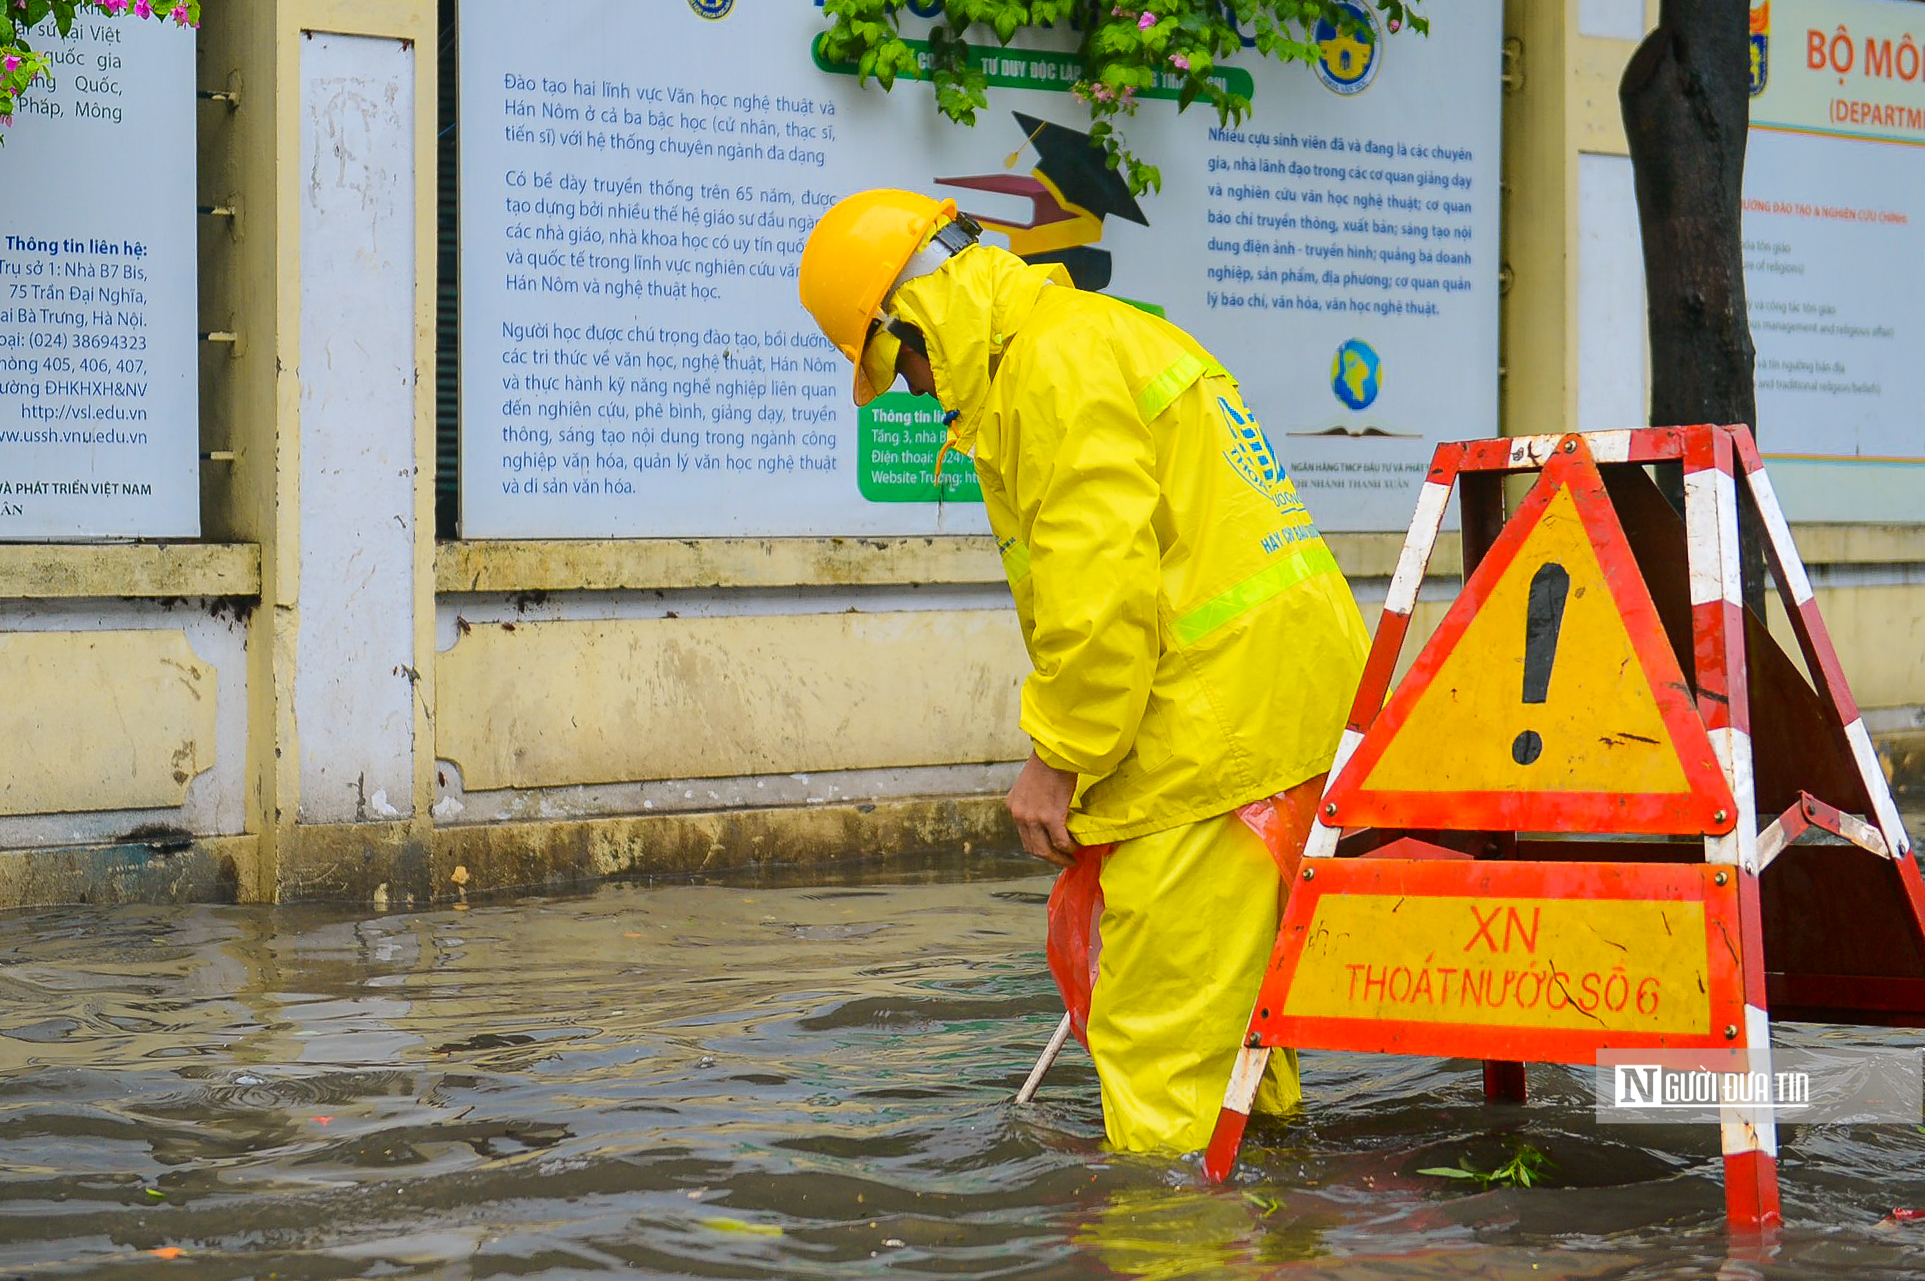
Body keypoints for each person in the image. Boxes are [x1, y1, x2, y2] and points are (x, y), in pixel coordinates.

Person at [797, 189, 1369, 1155]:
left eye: (896, 367)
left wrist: (1057, 757)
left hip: (1209, 734)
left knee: (1160, 1065)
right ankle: (1276, 1226)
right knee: (1241, 1040)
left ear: (914, 316)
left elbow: (1102, 590)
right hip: (1284, 715)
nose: (913, 393)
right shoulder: (1099, 334)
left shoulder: (1047, 372)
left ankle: (1169, 1248)